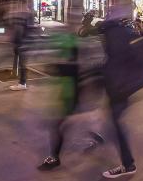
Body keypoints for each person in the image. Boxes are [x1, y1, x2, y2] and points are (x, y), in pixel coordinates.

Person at [38, 14, 104, 171]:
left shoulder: (75, 44)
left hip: (72, 91)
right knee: (72, 120)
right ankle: (94, 137)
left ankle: (55, 158)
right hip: (71, 90)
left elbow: (71, 68)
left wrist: (55, 68)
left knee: (58, 125)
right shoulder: (73, 41)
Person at [98, 3, 143, 179]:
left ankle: (128, 164)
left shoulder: (114, 33)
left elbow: (115, 61)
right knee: (114, 122)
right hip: (123, 85)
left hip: (118, 86)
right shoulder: (124, 31)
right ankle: (127, 162)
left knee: (114, 124)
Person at [4, 0, 33, 91]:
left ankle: (22, 84)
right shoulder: (26, 17)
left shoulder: (21, 17)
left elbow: (19, 32)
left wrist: (17, 44)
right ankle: (22, 83)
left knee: (22, 64)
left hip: (23, 44)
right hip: (24, 44)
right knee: (22, 63)